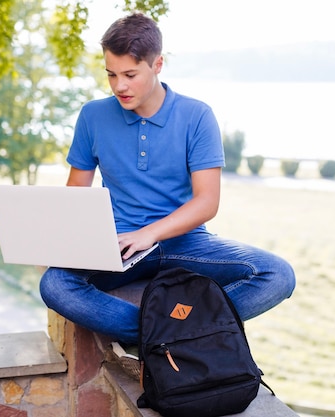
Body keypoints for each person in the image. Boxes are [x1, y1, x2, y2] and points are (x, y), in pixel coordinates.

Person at [39, 13, 295, 347]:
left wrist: (150, 234)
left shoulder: (196, 116)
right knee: (54, 284)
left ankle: (163, 333)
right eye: (111, 74)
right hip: (116, 245)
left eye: (130, 74)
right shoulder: (93, 116)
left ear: (157, 64)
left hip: (185, 243)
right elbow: (76, 194)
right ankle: (162, 333)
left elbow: (207, 202)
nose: (119, 86)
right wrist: (57, 240)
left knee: (277, 275)